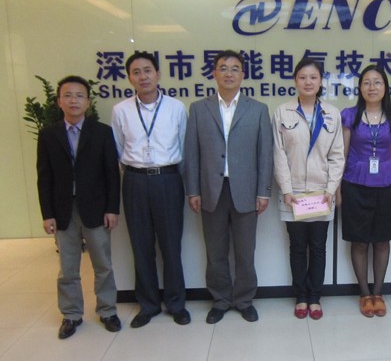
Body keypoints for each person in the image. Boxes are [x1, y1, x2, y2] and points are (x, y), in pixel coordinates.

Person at [184, 49, 273, 324]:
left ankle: (244, 300)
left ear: (242, 75)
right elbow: (191, 152)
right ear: (214, 73)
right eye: (223, 68)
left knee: (245, 252)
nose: (229, 73)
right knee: (215, 252)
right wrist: (193, 190)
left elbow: (265, 154)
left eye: (235, 69)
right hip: (211, 191)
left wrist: (263, 191)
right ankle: (221, 300)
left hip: (246, 191)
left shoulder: (258, 109)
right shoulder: (198, 109)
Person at [37, 75, 121, 339]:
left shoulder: (102, 132)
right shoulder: (48, 134)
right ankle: (71, 314)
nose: (74, 100)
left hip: (96, 208)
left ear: (88, 101)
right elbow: (44, 177)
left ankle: (107, 310)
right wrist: (47, 214)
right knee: (68, 267)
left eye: (79, 95)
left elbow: (111, 174)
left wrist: (112, 209)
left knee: (103, 264)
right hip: (63, 210)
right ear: (59, 101)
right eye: (68, 95)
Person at [111, 52, 190, 328]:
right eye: (136, 72)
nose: (142, 76)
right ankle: (148, 305)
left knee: (171, 246)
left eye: (147, 70)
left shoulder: (176, 107)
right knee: (141, 246)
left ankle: (177, 304)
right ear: (129, 78)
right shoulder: (121, 110)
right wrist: (135, 173)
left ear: (158, 74)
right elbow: (118, 149)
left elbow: (184, 146)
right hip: (134, 181)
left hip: (168, 179)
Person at [272, 58, 345, 320]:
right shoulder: (283, 112)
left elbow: (337, 155)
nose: (308, 82)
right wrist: (286, 188)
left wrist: (331, 188)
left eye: (313, 77)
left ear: (321, 81)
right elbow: (279, 153)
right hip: (293, 194)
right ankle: (300, 296)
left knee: (318, 247)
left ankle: (315, 297)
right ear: (295, 81)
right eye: (302, 77)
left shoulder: (332, 113)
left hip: (321, 193)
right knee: (297, 247)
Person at [340, 65, 391, 318]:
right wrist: (337, 189)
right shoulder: (350, 115)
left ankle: (378, 293)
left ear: (385, 87)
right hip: (355, 183)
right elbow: (343, 154)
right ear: (360, 88)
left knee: (382, 240)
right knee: (359, 241)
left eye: (377, 82)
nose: (372, 87)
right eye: (366, 82)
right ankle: (364, 294)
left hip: (387, 185)